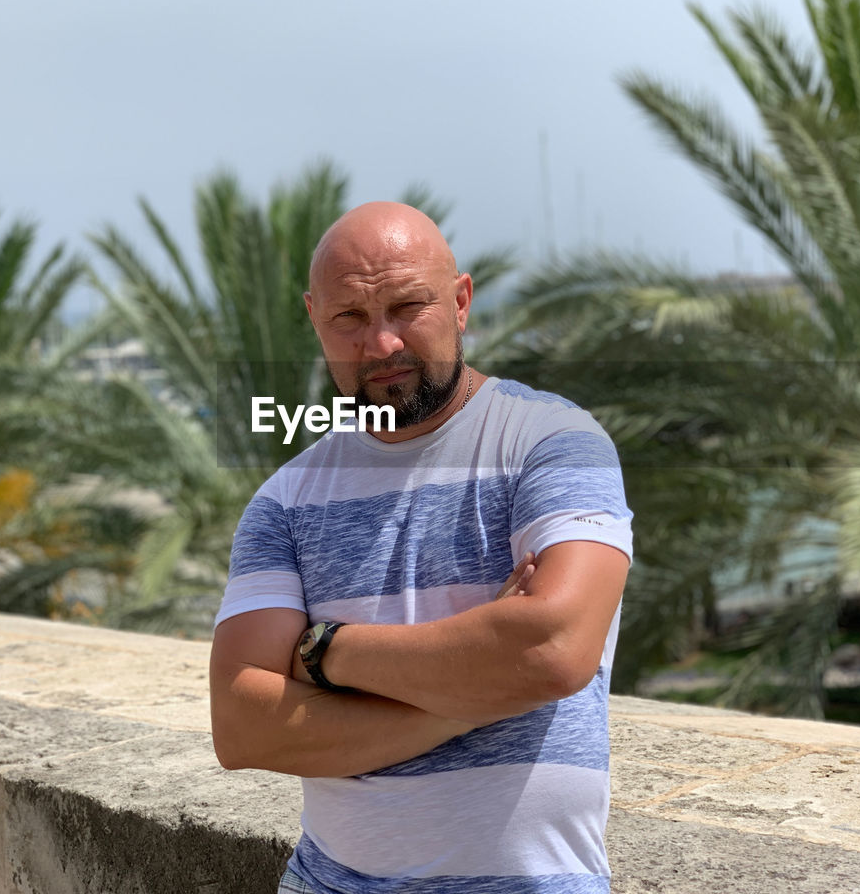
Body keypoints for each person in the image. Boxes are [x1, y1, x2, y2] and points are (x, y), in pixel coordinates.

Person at [209, 201, 632, 893]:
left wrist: (324, 651)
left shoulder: (552, 443)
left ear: (461, 302)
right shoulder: (284, 500)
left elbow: (551, 649)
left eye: (407, 307)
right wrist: (478, 691)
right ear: (314, 318)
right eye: (349, 317)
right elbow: (243, 726)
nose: (381, 345)